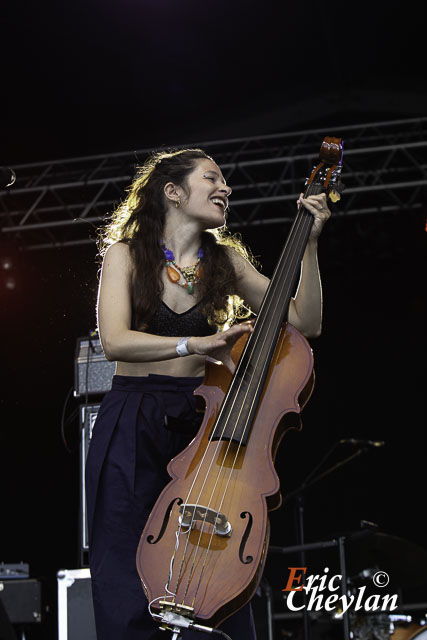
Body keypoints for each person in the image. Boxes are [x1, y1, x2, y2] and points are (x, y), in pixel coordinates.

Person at [85, 148, 331, 640]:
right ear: (172, 191)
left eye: (225, 182)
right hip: (133, 415)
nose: (226, 188)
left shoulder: (227, 262)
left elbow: (305, 323)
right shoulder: (126, 254)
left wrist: (308, 244)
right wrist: (197, 343)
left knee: (209, 551)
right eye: (212, 178)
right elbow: (113, 341)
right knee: (123, 555)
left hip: (200, 418)